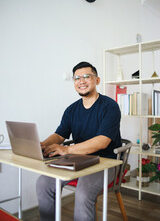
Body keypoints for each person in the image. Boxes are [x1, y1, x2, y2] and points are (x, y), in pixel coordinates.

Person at [36, 61, 121, 221]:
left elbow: (102, 141)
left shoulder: (110, 107)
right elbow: (60, 135)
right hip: (77, 160)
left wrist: (66, 150)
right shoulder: (71, 109)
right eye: (77, 78)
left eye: (86, 76)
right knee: (43, 183)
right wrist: (42, 145)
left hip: (105, 163)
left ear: (97, 80)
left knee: (83, 192)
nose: (81, 81)